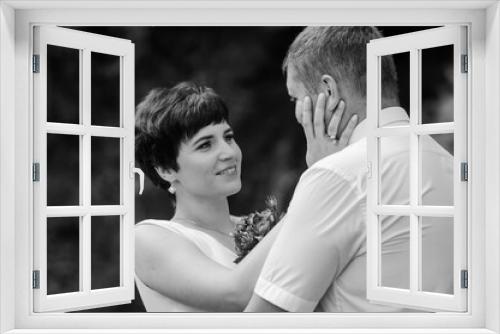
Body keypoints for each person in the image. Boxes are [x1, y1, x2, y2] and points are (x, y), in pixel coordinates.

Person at [245, 26, 454, 312]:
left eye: (295, 99)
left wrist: (322, 173)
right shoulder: (450, 165)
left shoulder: (337, 177)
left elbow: (264, 321)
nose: (295, 113)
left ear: (328, 90)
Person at [134, 81, 354, 312]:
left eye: (228, 137)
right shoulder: (147, 238)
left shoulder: (258, 226)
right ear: (165, 169)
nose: (228, 152)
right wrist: (318, 184)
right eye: (205, 145)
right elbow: (234, 294)